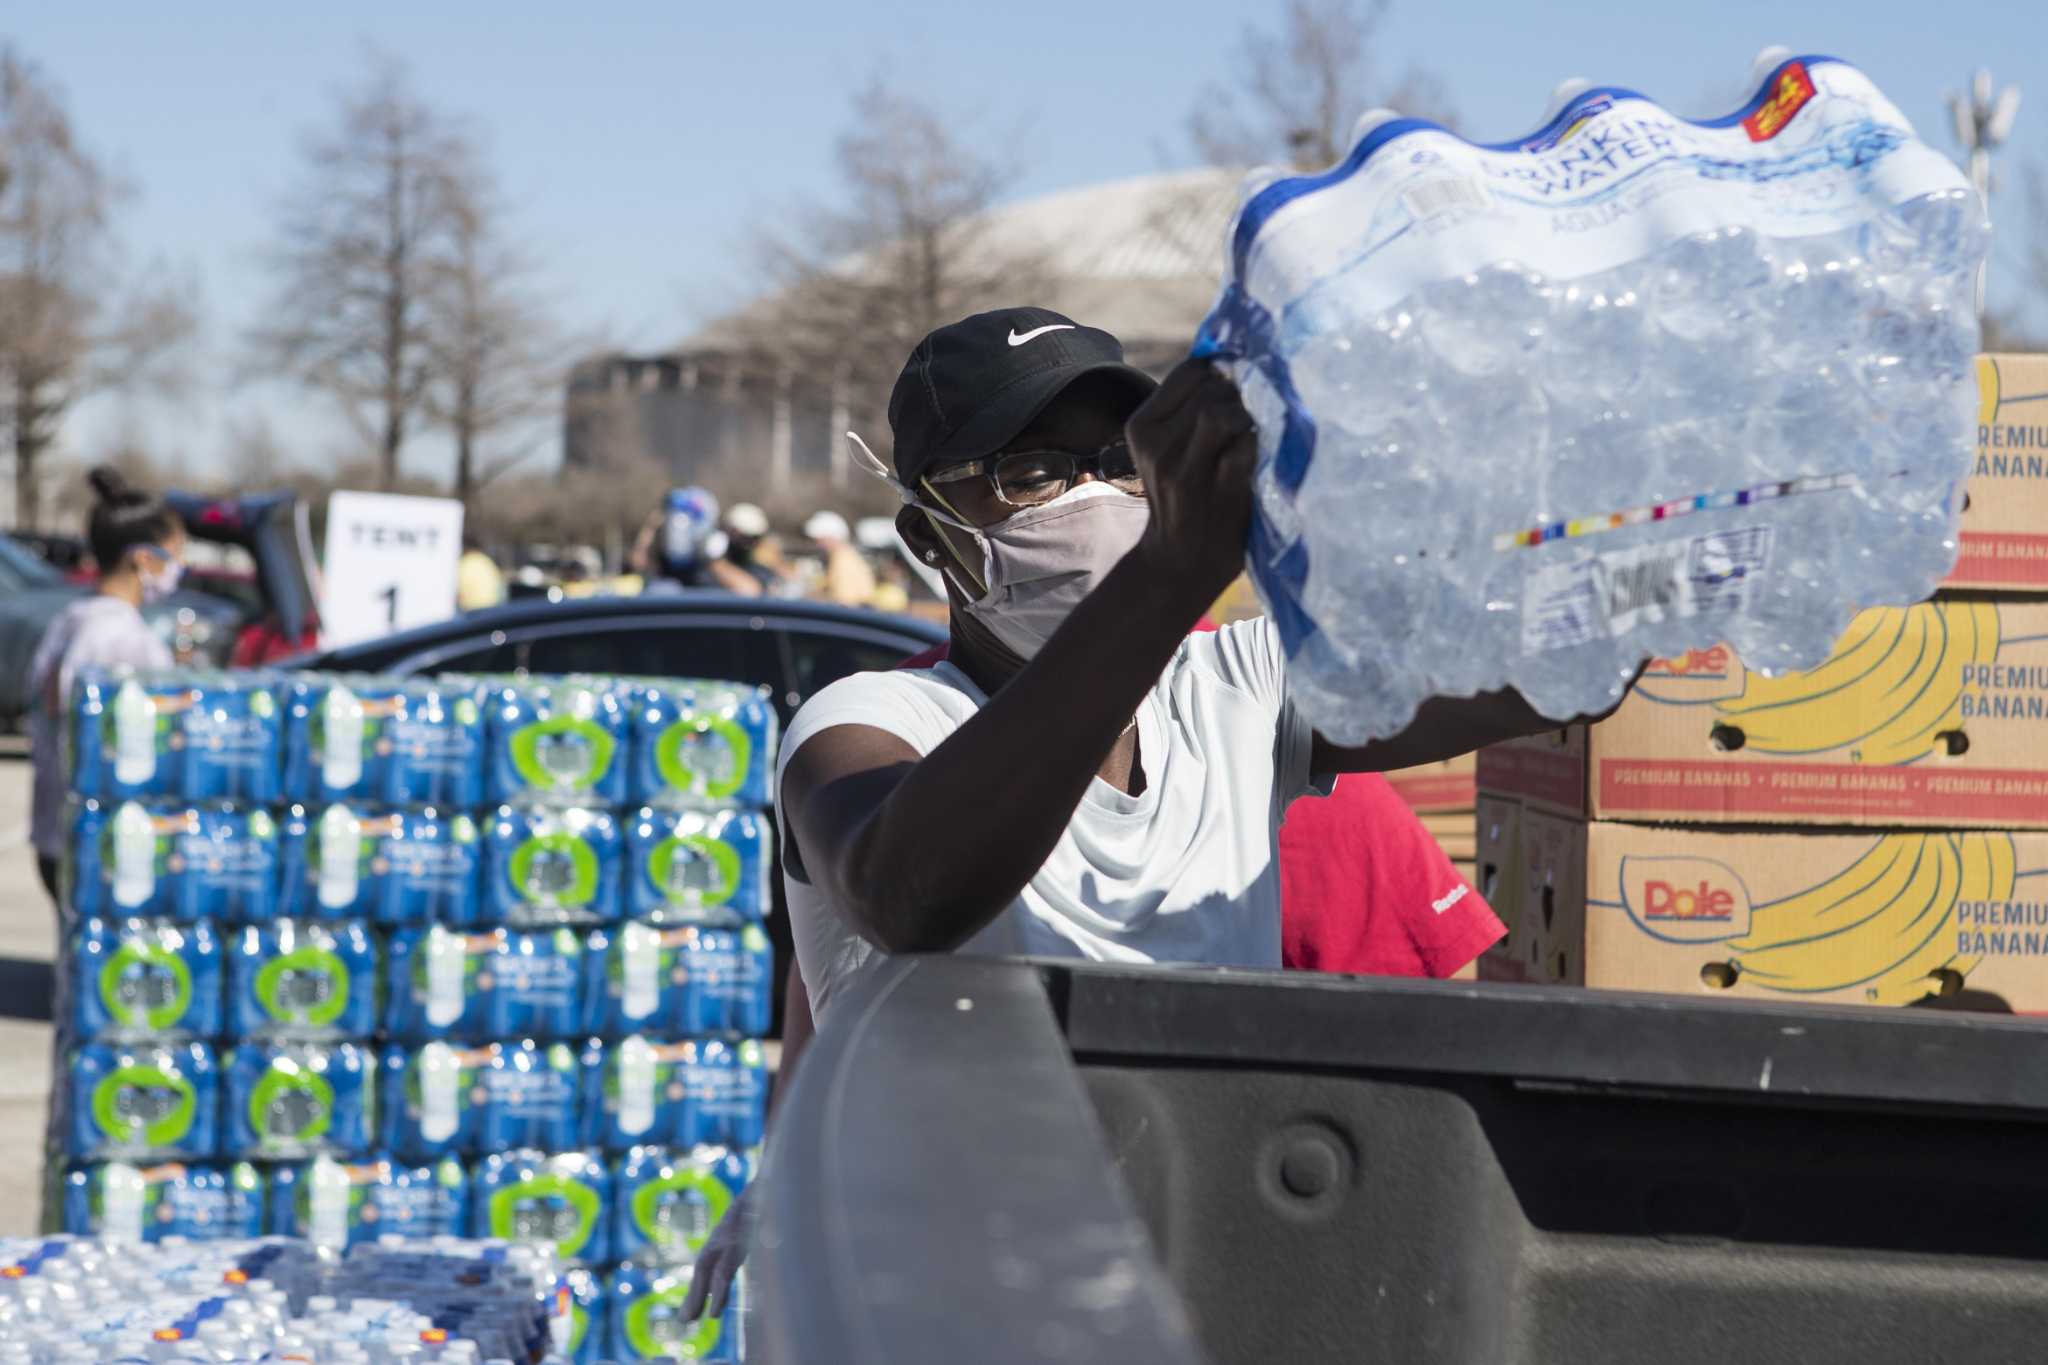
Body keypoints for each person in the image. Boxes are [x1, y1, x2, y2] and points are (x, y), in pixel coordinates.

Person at [682, 307, 1607, 1319]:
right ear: (928, 537)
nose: (1094, 498)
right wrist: (1168, 570)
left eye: (1119, 463)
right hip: (933, 1308)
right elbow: (910, 895)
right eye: (1033, 473)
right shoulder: (865, 723)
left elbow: (1553, 666)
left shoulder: (1241, 686)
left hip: (1191, 1287)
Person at [27, 467, 186, 905]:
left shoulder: (69, 621)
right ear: (142, 558)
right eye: (174, 555)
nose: (179, 568)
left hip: (55, 832)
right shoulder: (123, 640)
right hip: (100, 843)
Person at [802, 510, 876, 609]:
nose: (818, 544)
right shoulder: (844, 556)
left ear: (831, 537)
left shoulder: (843, 559)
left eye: (820, 539)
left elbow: (844, 601)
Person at [456, 536, 506, 612]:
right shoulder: (487, 561)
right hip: (493, 610)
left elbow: (459, 591)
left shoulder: (465, 563)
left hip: (472, 612)